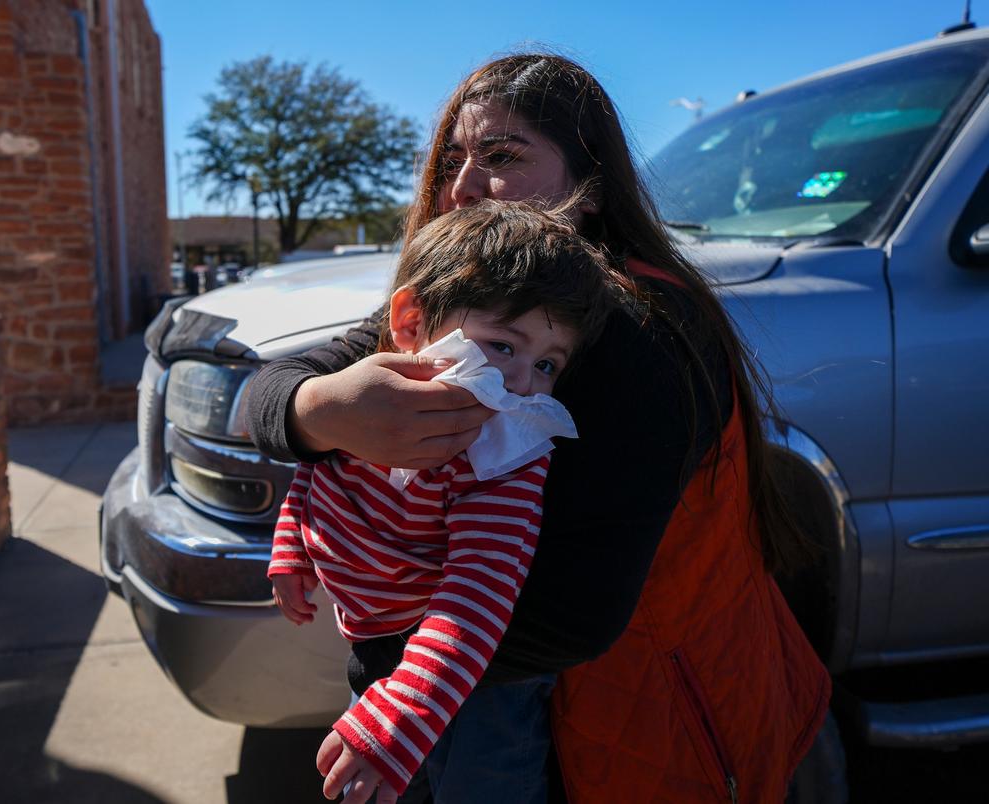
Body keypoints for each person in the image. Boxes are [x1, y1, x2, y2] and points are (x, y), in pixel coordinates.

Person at [247, 54, 831, 804]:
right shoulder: (482, 289)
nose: (461, 187)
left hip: (649, 725)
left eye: (501, 156)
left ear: (592, 183)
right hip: (486, 699)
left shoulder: (639, 330)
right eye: (452, 161)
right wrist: (318, 410)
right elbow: (275, 392)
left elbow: (569, 616)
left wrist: (388, 666)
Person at [268, 200, 617, 804]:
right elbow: (320, 473)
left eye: (546, 364)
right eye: (502, 347)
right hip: (383, 663)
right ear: (411, 323)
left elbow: (477, 596)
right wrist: (292, 549)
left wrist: (399, 716)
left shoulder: (503, 453)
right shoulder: (368, 399)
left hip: (465, 679)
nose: (522, 384)